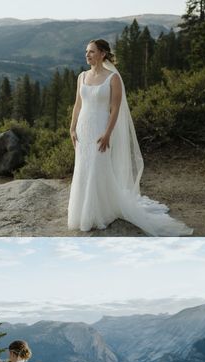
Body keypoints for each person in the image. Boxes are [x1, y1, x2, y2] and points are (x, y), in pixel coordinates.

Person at [67, 39, 192, 236]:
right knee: (83, 167)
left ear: (102, 54)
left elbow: (115, 108)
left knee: (98, 168)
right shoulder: (82, 77)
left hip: (101, 128)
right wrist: (72, 128)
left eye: (91, 52)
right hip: (83, 129)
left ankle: (101, 211)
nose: (87, 55)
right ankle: (83, 211)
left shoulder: (112, 78)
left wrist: (108, 133)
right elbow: (77, 105)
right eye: (86, 52)